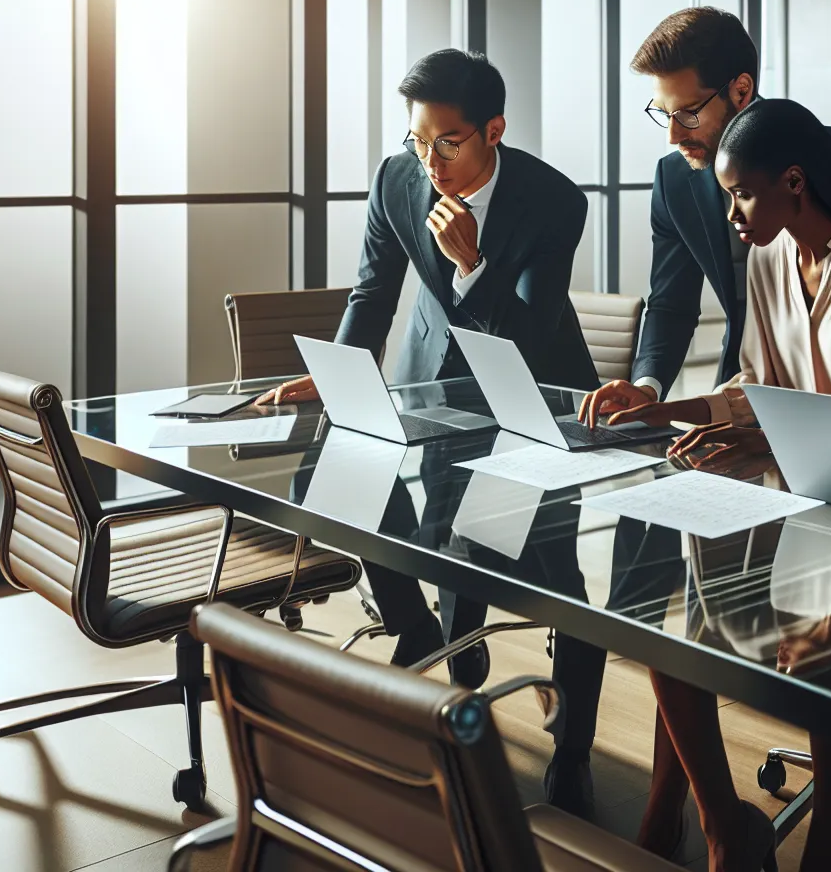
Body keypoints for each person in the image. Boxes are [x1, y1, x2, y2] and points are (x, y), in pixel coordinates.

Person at [255, 50, 604, 810]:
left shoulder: (553, 202)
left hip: (532, 392)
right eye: (419, 140)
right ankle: (419, 630)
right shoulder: (397, 178)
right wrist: (341, 368)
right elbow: (375, 287)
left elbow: (527, 330)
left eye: (448, 142)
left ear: (493, 132)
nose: (431, 162)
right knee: (352, 484)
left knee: (561, 583)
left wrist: (472, 266)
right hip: (427, 378)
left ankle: (574, 751)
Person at [609, 98, 831, 872]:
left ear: (792, 182)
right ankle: (722, 824)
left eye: (741, 193)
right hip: (781, 490)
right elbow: (755, 383)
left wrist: (755, 433)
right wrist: (660, 408)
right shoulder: (769, 257)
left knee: (811, 636)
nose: (732, 213)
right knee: (670, 643)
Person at [576, 6, 831, 428]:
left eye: (688, 113)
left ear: (741, 90)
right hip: (747, 389)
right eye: (663, 113)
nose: (673, 135)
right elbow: (671, 304)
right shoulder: (674, 180)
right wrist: (646, 389)